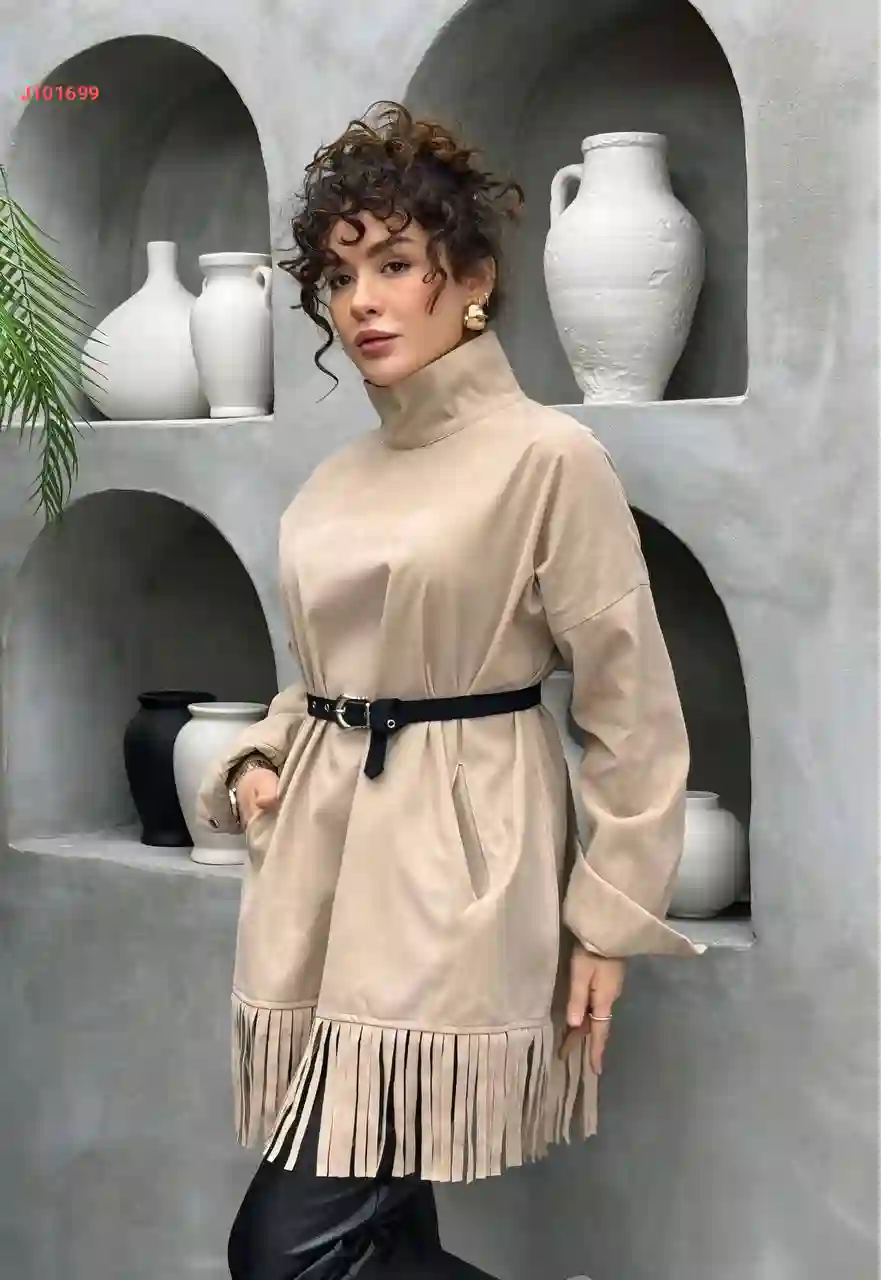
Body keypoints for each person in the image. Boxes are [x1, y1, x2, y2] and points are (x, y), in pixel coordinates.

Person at [195, 101, 705, 1280]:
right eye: (338, 276)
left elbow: (629, 705)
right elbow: (322, 680)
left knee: (288, 1253)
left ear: (469, 279)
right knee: (381, 1230)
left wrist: (607, 916)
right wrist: (261, 759)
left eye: (393, 263)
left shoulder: (546, 458)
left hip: (453, 873)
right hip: (322, 870)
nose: (359, 301)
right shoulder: (332, 480)